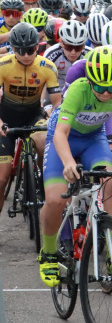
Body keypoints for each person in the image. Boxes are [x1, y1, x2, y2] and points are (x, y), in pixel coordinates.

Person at [37, 47, 112, 286]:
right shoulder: (78, 90)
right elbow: (61, 132)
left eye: (111, 87)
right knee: (55, 200)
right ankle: (48, 252)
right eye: (100, 87)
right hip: (64, 138)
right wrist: (69, 163)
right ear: (90, 80)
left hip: (93, 139)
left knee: (109, 182)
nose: (105, 93)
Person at [0, 23, 61, 211]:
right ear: (12, 47)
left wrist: (52, 119)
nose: (25, 55)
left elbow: (57, 102)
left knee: (44, 140)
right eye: (20, 50)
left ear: (38, 46)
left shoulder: (48, 67)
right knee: (1, 178)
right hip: (6, 119)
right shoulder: (3, 65)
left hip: (33, 116)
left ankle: (44, 183)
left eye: (30, 50)